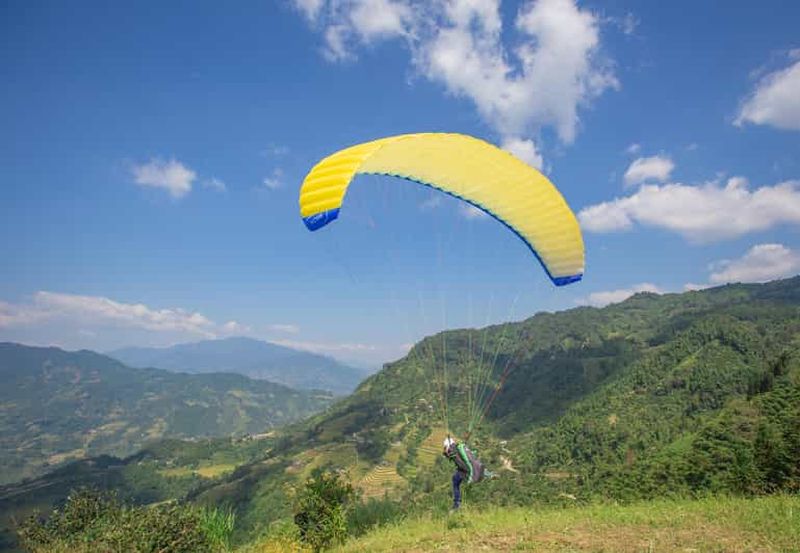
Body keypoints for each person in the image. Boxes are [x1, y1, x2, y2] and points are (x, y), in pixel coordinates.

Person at [442, 437, 485, 510]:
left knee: (455, 481)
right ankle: (463, 502)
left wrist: (466, 472)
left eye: (445, 447)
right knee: (457, 479)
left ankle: (457, 503)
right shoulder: (459, 447)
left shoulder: (452, 450)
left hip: (464, 470)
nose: (445, 449)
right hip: (469, 468)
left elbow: (460, 463)